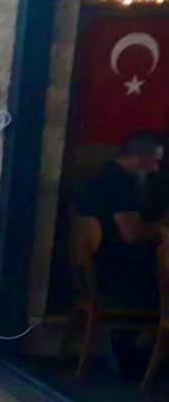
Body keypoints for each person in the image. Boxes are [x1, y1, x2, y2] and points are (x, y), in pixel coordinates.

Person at [76, 131, 168, 375]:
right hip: (119, 280)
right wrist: (162, 228)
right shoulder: (121, 184)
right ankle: (135, 358)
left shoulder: (96, 177)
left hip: (95, 273)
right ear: (138, 158)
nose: (157, 169)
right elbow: (131, 234)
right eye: (155, 161)